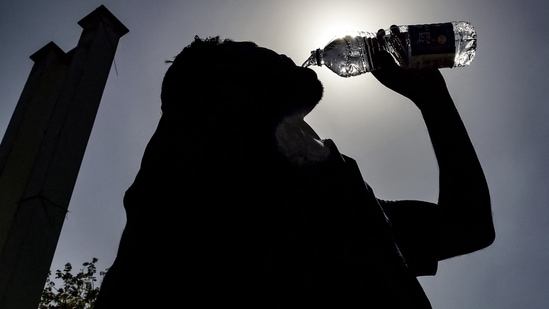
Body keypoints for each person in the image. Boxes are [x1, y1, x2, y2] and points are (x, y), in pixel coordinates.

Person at [94, 36, 495, 308]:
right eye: (256, 51)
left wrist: (433, 99)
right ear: (224, 83)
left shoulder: (346, 198)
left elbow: (469, 226)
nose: (282, 55)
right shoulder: (192, 166)